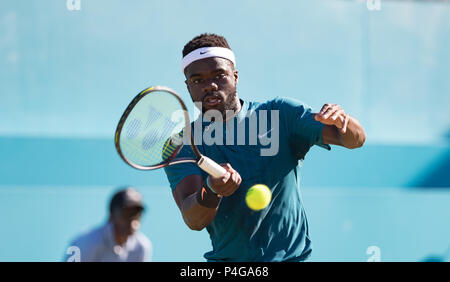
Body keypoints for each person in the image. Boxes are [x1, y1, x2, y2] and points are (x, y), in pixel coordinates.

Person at [164, 33, 366, 262]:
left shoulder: (282, 114)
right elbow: (194, 220)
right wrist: (212, 190)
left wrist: (343, 121)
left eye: (219, 75)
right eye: (197, 80)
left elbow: (354, 140)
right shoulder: (180, 145)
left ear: (235, 77)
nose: (210, 85)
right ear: (188, 87)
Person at [64, 187, 152, 262]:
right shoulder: (88, 243)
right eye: (126, 214)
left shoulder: (142, 247)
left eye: (136, 214)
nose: (132, 220)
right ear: (112, 214)